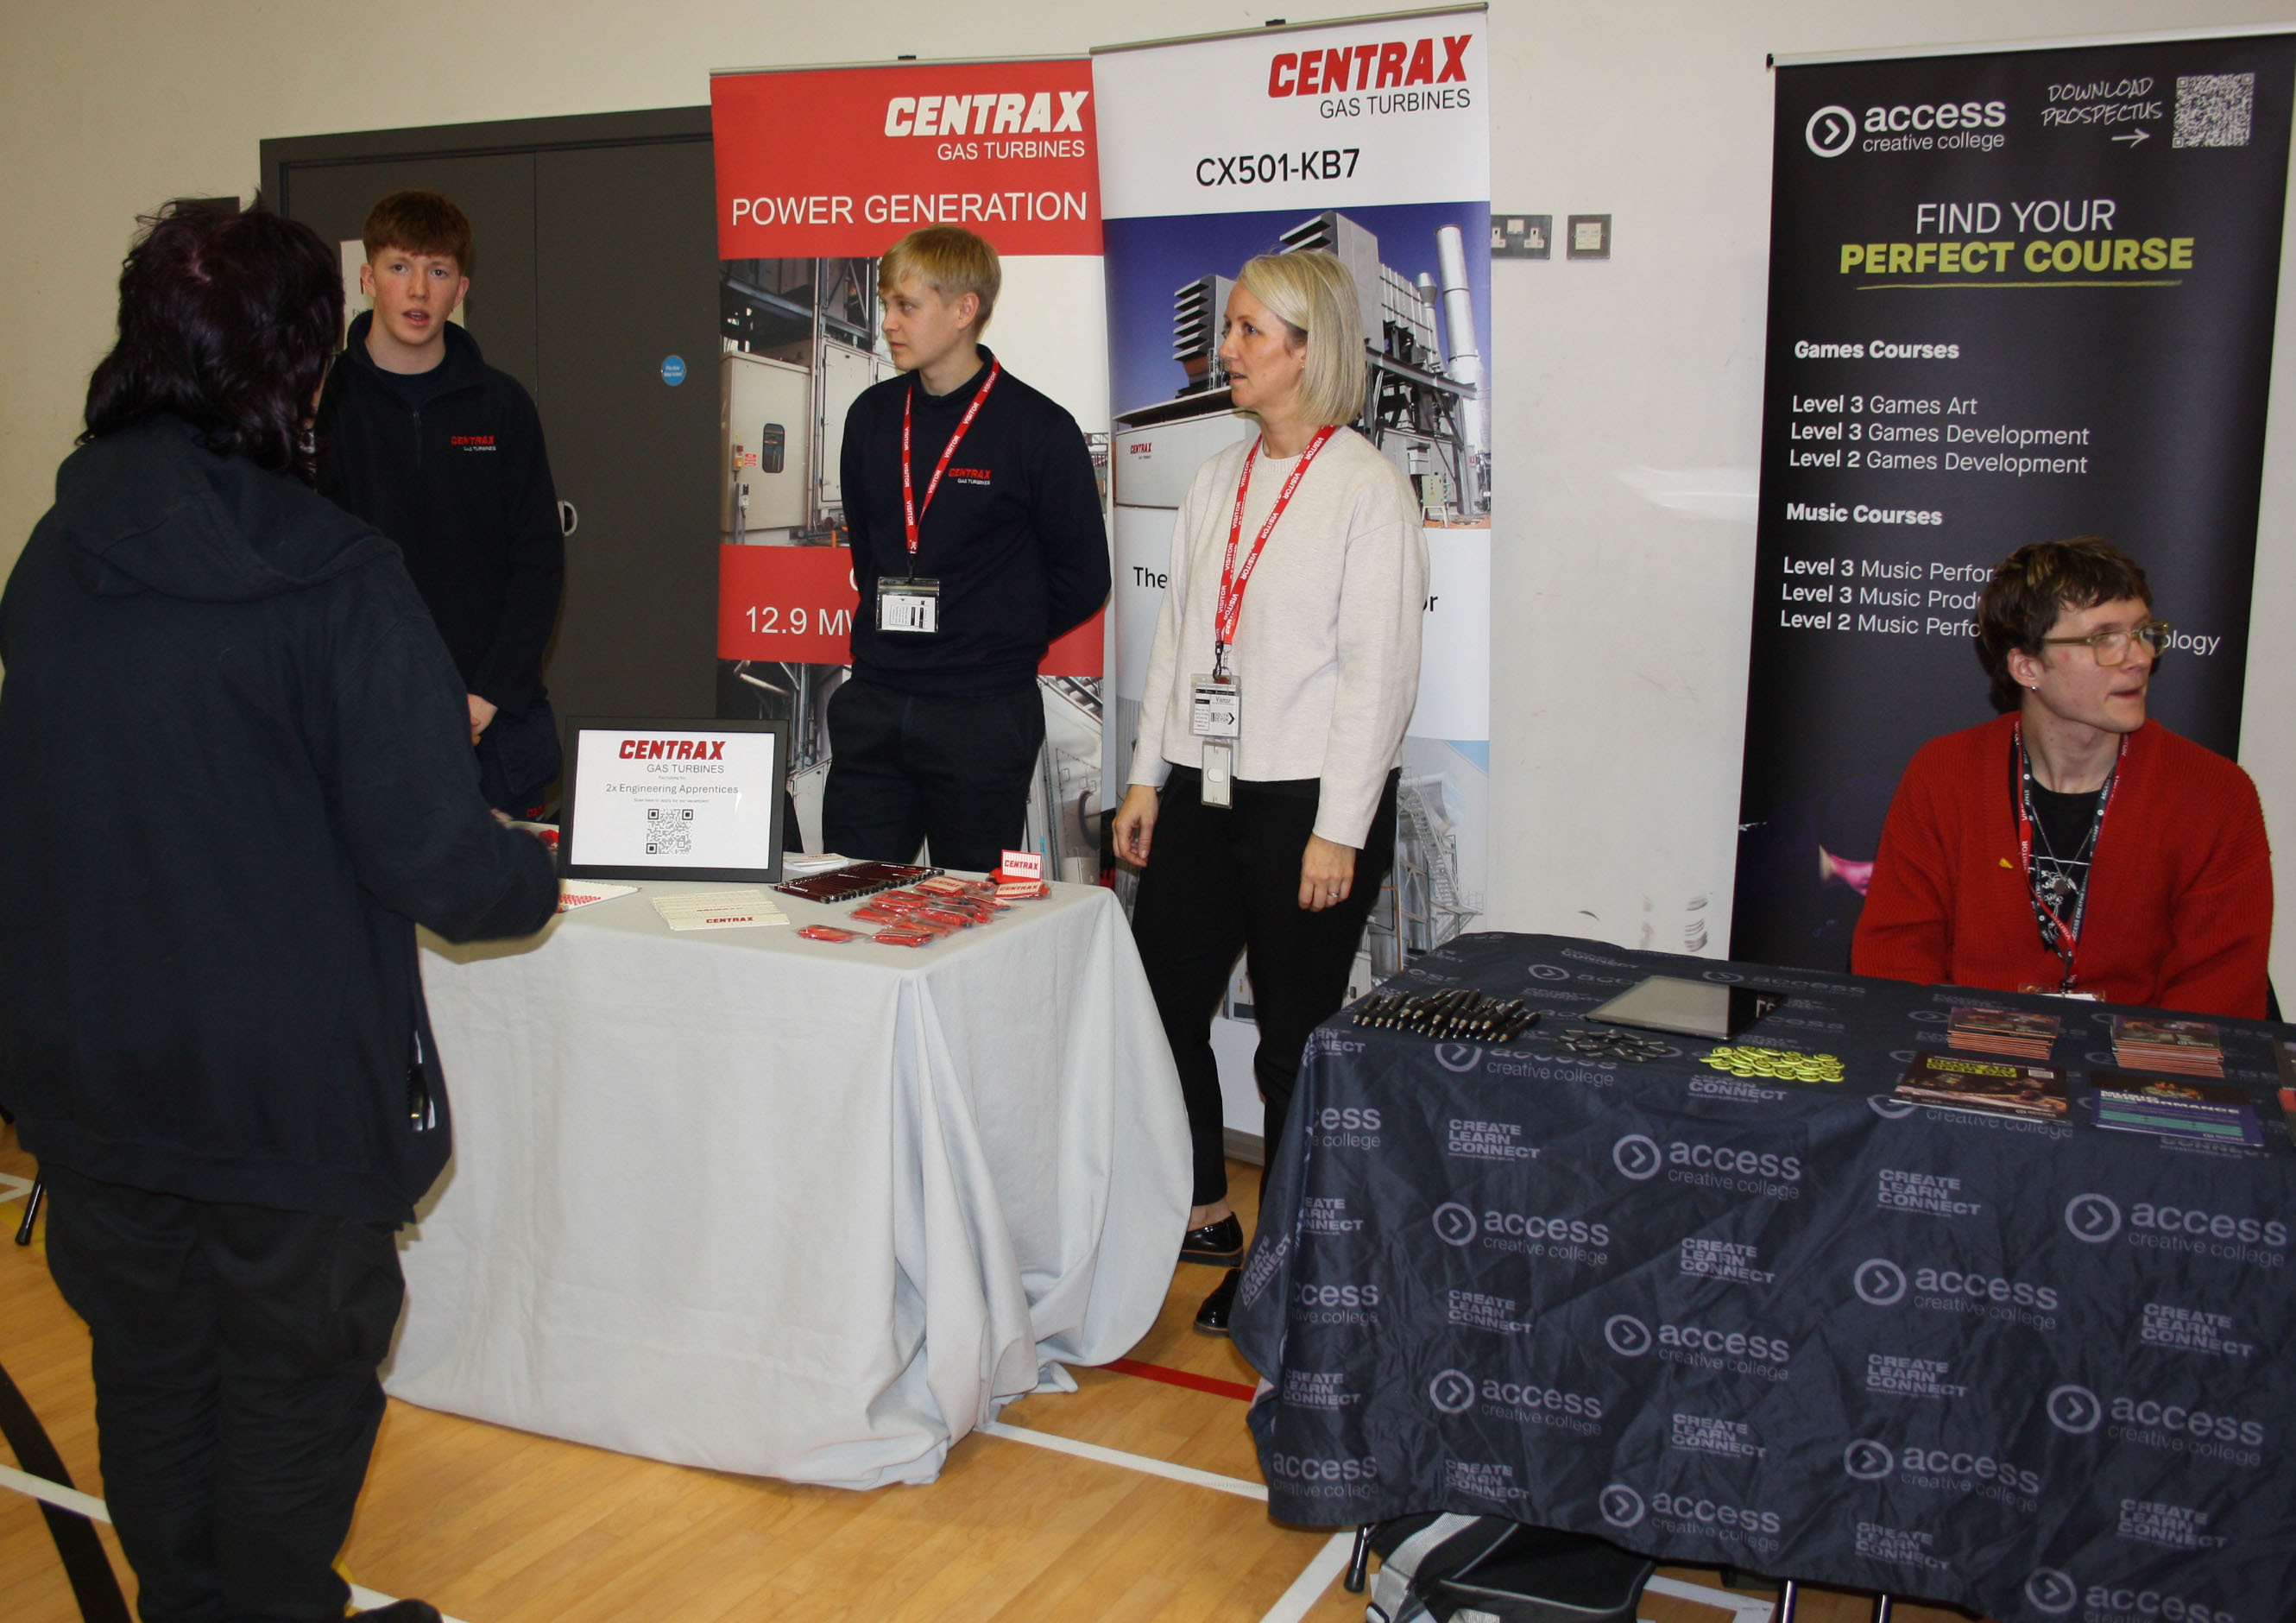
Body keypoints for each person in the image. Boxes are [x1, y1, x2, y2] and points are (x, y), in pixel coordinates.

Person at [0, 199, 558, 1623]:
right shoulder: (336, 577)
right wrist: (537, 867)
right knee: (293, 1399)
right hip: (287, 1098)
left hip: (96, 1081)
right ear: (298, 366)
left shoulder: (53, 556)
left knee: (153, 1383)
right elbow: (442, 865)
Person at [1111, 249, 1427, 1335]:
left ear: (1307, 349)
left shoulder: (1366, 489)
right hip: (1204, 789)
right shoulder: (1218, 477)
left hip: (1309, 808)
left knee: (1292, 1043)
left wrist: (1338, 830)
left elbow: (1379, 678)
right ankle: (1206, 1207)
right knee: (1157, 1006)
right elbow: (1177, 640)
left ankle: (1289, 1264)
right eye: (1230, 326)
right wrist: (1145, 775)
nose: (1227, 347)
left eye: (1250, 331)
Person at [1853, 537, 2272, 1018]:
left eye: (2142, 632)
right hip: (1966, 1053)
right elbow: (1895, 964)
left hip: (2138, 1060)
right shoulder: (1945, 773)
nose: (2140, 657)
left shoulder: (2215, 794)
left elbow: (2218, 998)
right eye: (2104, 639)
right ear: (2027, 666)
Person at [825, 224, 1110, 871]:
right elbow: (868, 549)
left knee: (971, 904)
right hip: (876, 700)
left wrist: (993, 635)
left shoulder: (1038, 429)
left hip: (982, 713)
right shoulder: (871, 417)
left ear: (964, 310)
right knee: (850, 893)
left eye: (906, 305)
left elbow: (1084, 578)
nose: (888, 322)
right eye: (887, 303)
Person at [317, 188, 565, 818]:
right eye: (400, 267)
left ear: (461, 290)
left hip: (489, 726)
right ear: (367, 279)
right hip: (357, 718)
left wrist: (487, 697)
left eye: (438, 272)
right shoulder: (321, 405)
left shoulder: (502, 406)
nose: (418, 291)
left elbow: (538, 563)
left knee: (500, 882)